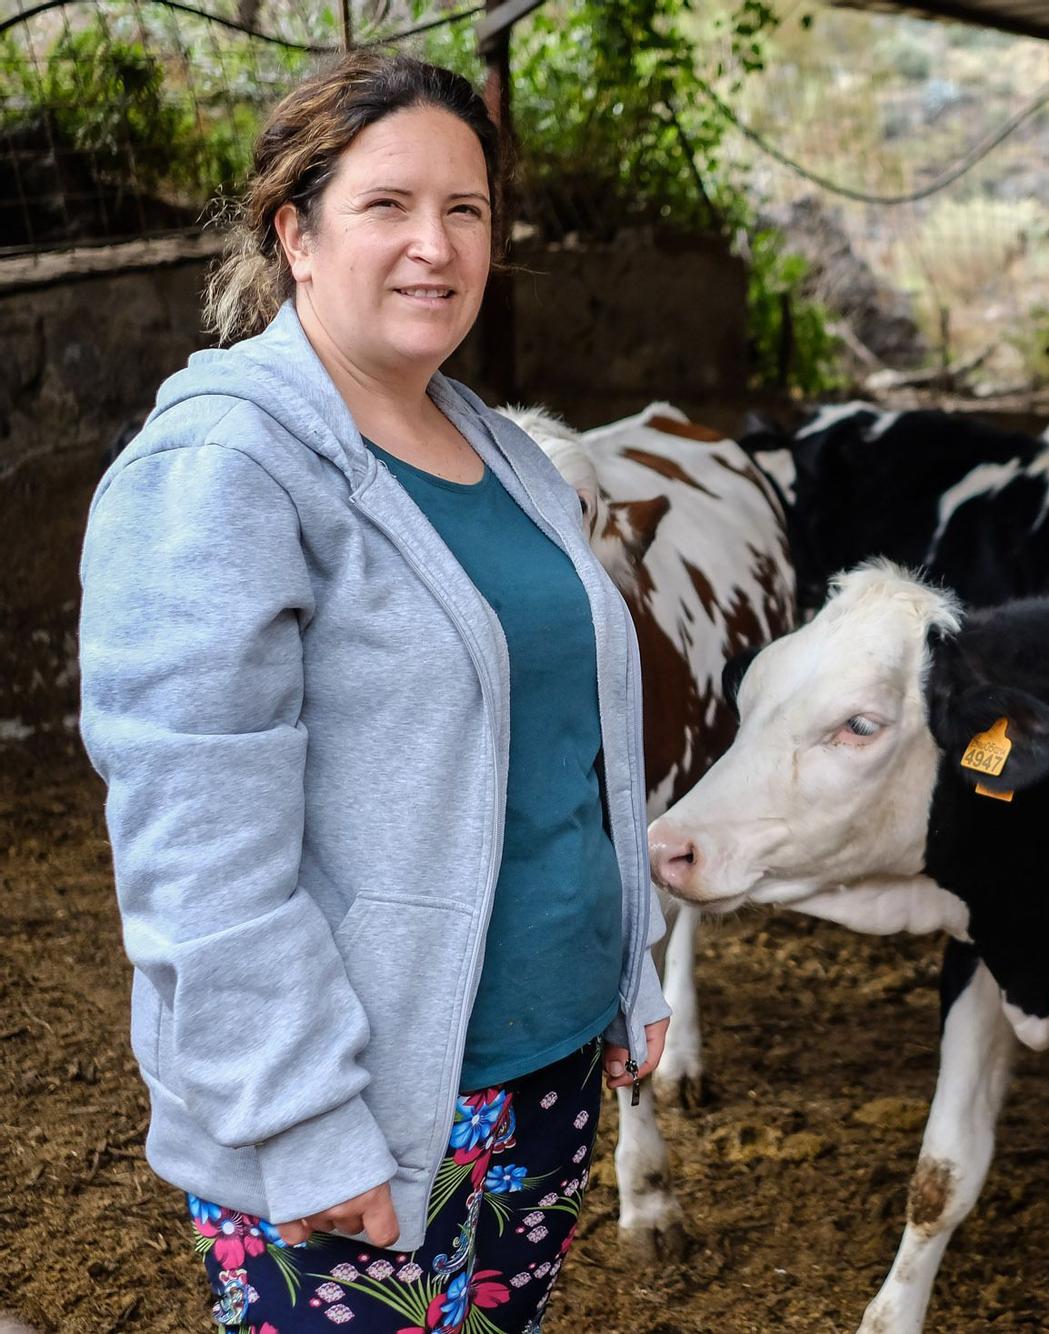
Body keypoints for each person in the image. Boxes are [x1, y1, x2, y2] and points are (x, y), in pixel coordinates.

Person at [77, 52, 668, 1334]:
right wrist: (300, 1116)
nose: (435, 247)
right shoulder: (221, 466)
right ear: (295, 233)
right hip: (359, 1106)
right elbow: (196, 847)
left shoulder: (497, 446)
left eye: (465, 211)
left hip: (546, 1065)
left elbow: (573, 748)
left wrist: (633, 968)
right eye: (388, 206)